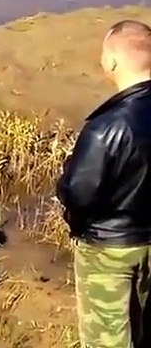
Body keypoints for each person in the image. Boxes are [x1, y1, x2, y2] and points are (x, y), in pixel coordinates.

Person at [57, 19, 151, 348]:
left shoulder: (105, 128)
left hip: (109, 249)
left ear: (111, 61)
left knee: (107, 337)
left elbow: (78, 195)